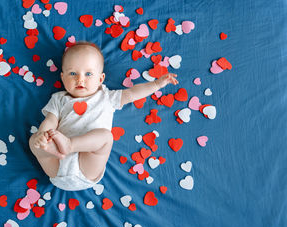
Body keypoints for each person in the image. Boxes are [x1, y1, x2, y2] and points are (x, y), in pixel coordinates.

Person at [29, 41, 178, 191]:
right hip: (56, 166)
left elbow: (132, 93)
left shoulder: (107, 97)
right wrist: (42, 137)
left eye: (88, 74)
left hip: (87, 167)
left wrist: (156, 85)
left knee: (106, 137)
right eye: (73, 73)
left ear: (100, 79)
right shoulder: (59, 99)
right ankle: (55, 146)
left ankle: (70, 144)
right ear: (62, 77)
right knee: (33, 141)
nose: (80, 79)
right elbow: (50, 121)